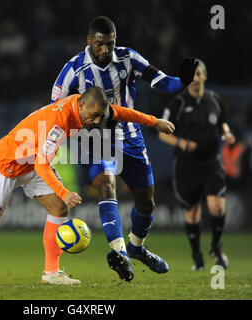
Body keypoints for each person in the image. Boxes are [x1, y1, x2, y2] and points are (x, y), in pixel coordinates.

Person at [0, 87, 175, 285]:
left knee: (59, 209)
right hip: (9, 163)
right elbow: (43, 165)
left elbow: (121, 112)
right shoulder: (58, 121)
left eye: (99, 117)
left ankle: (51, 272)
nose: (96, 122)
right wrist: (65, 191)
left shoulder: (87, 107)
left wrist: (155, 122)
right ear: (81, 105)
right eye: (94, 117)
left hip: (31, 162)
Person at [51, 16, 197, 281]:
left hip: (131, 138)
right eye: (99, 45)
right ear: (89, 42)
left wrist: (183, 81)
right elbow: (55, 108)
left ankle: (136, 248)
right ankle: (121, 254)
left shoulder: (128, 58)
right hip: (95, 139)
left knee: (146, 203)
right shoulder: (74, 69)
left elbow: (163, 82)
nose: (105, 50)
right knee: (106, 187)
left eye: (109, 44)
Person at [159, 59, 235, 270]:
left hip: (211, 162)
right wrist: (182, 143)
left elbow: (222, 122)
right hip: (187, 164)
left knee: (217, 206)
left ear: (204, 76)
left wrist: (227, 133)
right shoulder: (178, 103)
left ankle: (216, 247)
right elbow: (163, 134)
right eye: (191, 75)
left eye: (198, 74)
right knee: (192, 212)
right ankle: (197, 258)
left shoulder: (214, 99)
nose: (195, 79)